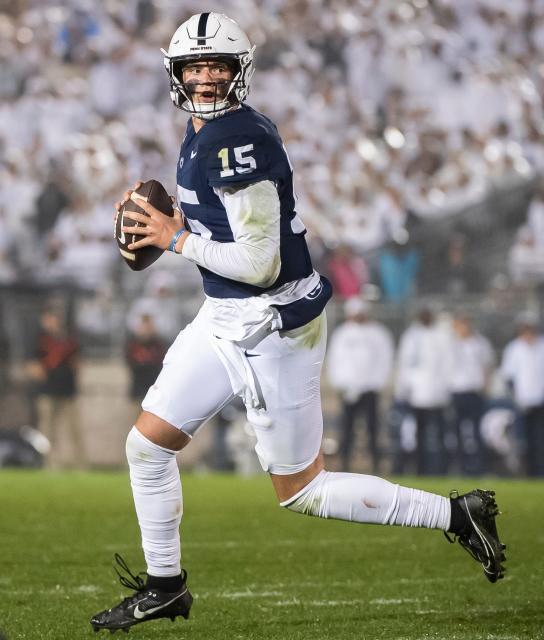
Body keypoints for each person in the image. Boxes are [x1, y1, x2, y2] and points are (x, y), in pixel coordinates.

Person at [89, 13, 506, 634]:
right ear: (176, 74)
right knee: (147, 447)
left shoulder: (237, 141)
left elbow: (259, 264)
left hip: (272, 323)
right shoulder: (204, 129)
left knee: (301, 490)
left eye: (218, 66)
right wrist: (186, 226)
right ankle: (165, 586)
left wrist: (176, 238)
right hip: (228, 314)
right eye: (195, 68)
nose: (205, 79)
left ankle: (456, 514)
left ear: (240, 70)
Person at [326, 297, 394, 473]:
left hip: (370, 389)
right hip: (348, 390)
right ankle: (344, 466)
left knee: (373, 429)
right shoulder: (342, 333)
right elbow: (335, 360)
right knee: (346, 430)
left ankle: (377, 466)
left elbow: (385, 360)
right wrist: (341, 383)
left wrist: (376, 382)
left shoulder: (378, 333)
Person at [395, 308, 455, 475]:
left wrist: (446, 387)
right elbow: (404, 363)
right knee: (418, 436)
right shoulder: (411, 336)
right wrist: (404, 389)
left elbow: (448, 363)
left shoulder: (442, 335)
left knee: (440, 435)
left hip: (438, 394)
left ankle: (441, 470)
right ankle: (420, 470)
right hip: (417, 394)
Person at [25, 307, 84, 468]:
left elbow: (77, 362)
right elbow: (32, 364)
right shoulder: (38, 339)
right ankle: (49, 464)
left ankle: (80, 463)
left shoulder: (68, 339)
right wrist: (39, 372)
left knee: (74, 429)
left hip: (67, 390)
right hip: (47, 390)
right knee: (47, 430)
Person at [448, 314, 495, 475]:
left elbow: (487, 366)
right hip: (456, 392)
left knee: (477, 431)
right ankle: (460, 468)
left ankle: (480, 468)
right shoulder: (450, 343)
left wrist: (485, 388)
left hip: (474, 391)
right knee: (457, 432)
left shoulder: (480, 343)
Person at [500, 319, 544, 477]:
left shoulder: (542, 346)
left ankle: (540, 472)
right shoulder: (514, 348)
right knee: (523, 440)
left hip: (540, 401)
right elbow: (508, 376)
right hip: (522, 401)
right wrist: (516, 397)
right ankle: (527, 473)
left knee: (540, 439)